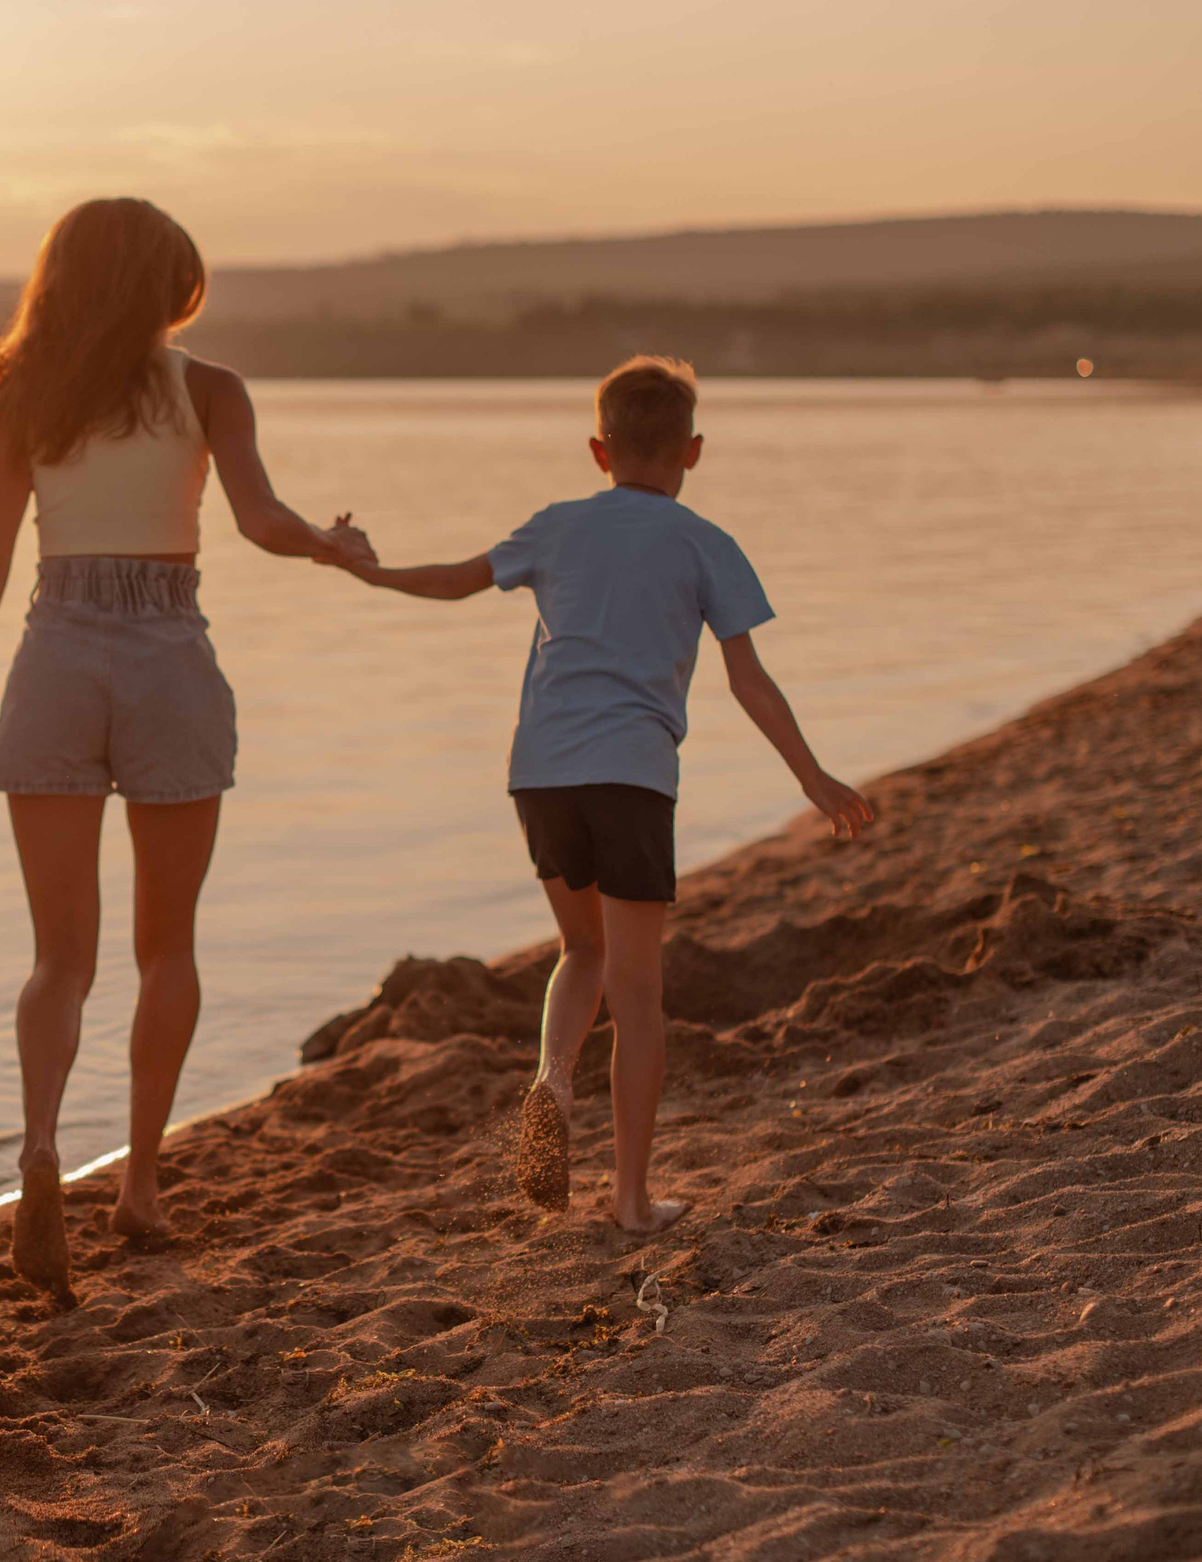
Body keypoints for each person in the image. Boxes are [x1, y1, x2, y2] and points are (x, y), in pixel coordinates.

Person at [0, 196, 373, 1296]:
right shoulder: (209, 387)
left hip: (55, 662)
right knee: (164, 948)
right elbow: (261, 520)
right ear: (172, 282)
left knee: (56, 958)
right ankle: (140, 1187)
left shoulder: (29, 394)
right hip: (169, 659)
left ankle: (39, 1145)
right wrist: (332, 546)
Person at [333, 356, 875, 1233]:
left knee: (577, 949)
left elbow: (456, 580)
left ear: (599, 450)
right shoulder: (705, 542)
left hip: (539, 772)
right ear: (692, 451)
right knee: (637, 993)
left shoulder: (556, 528)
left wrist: (369, 569)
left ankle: (552, 1078)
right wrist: (813, 777)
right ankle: (627, 1199)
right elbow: (750, 682)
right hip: (631, 773)